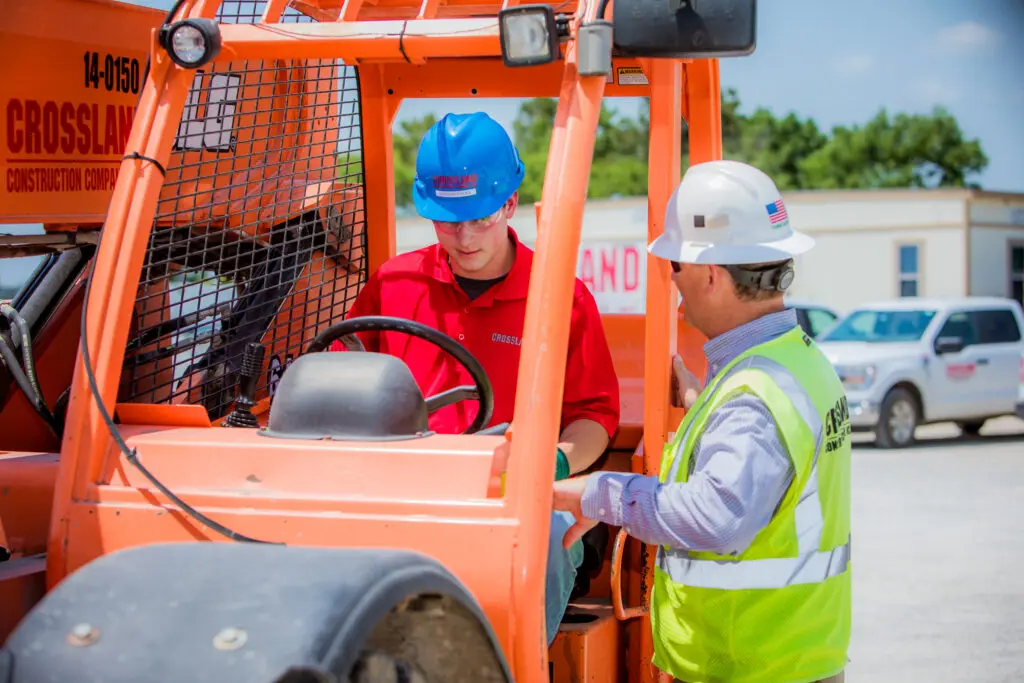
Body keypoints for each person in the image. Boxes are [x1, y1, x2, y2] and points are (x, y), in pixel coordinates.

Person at [551, 160, 851, 683]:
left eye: (676, 267)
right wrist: (702, 398)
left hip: (752, 665)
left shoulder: (751, 398)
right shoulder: (796, 362)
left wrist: (602, 493)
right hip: (785, 655)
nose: (673, 282)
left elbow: (716, 517)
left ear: (711, 274)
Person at [331, 111, 621, 645]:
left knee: (544, 540)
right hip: (411, 487)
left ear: (510, 204)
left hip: (521, 494)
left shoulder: (562, 298)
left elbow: (594, 416)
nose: (463, 239)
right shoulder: (393, 285)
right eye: (446, 221)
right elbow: (346, 386)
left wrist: (549, 464)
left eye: (480, 219)